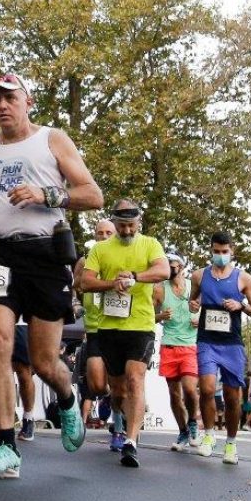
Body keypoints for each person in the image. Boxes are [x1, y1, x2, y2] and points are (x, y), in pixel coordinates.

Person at [0, 73, 102, 480]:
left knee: (43, 361)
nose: (2, 105)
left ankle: (67, 397)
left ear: (28, 101)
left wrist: (46, 194)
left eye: (10, 98)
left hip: (45, 254)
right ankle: (7, 445)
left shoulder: (52, 140)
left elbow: (93, 194)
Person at [81, 201, 169, 469]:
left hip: (140, 325)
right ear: (114, 223)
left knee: (135, 379)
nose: (127, 230)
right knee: (117, 391)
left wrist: (135, 276)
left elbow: (163, 270)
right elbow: (85, 281)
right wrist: (113, 283)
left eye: (131, 225)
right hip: (109, 327)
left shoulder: (150, 244)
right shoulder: (101, 249)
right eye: (122, 226)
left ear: (139, 222)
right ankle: (119, 413)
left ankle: (131, 441)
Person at [188, 230, 251, 464]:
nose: (220, 255)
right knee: (207, 389)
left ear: (232, 251)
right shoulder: (199, 276)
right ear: (210, 250)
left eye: (224, 251)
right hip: (207, 341)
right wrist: (193, 305)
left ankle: (231, 443)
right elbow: (193, 301)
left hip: (232, 344)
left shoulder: (244, 278)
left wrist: (241, 306)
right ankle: (209, 435)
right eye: (216, 251)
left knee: (232, 397)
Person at [154, 252, 199, 451]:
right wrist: (160, 316)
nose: (167, 267)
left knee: (189, 389)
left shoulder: (194, 286)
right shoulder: (159, 289)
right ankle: (183, 431)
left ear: (180, 266)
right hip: (169, 346)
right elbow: (147, 316)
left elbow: (208, 311)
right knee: (174, 394)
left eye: (170, 263)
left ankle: (193, 423)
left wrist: (200, 321)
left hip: (190, 346)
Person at [75, 219, 115, 432]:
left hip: (117, 325)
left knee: (119, 379)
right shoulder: (85, 260)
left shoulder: (121, 258)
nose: (104, 236)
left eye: (109, 233)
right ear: (95, 235)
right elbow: (75, 287)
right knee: (97, 384)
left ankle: (120, 428)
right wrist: (77, 303)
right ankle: (107, 395)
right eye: (100, 233)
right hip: (93, 327)